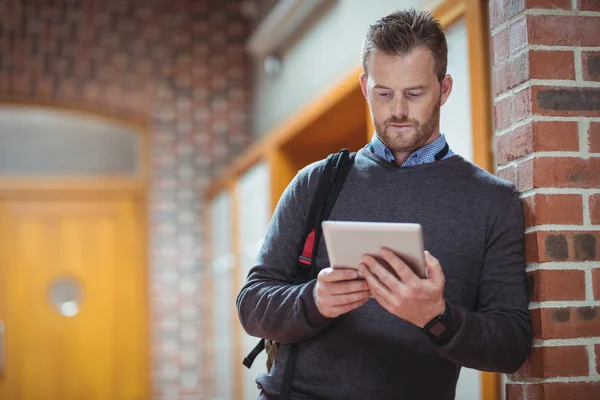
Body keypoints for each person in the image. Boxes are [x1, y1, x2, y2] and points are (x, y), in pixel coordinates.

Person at [236, 8, 531, 400]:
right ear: (364, 87)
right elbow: (251, 304)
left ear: (444, 89)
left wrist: (437, 318)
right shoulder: (316, 181)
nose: (397, 111)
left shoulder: (493, 201)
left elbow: (511, 345)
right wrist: (314, 300)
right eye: (384, 93)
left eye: (414, 93)